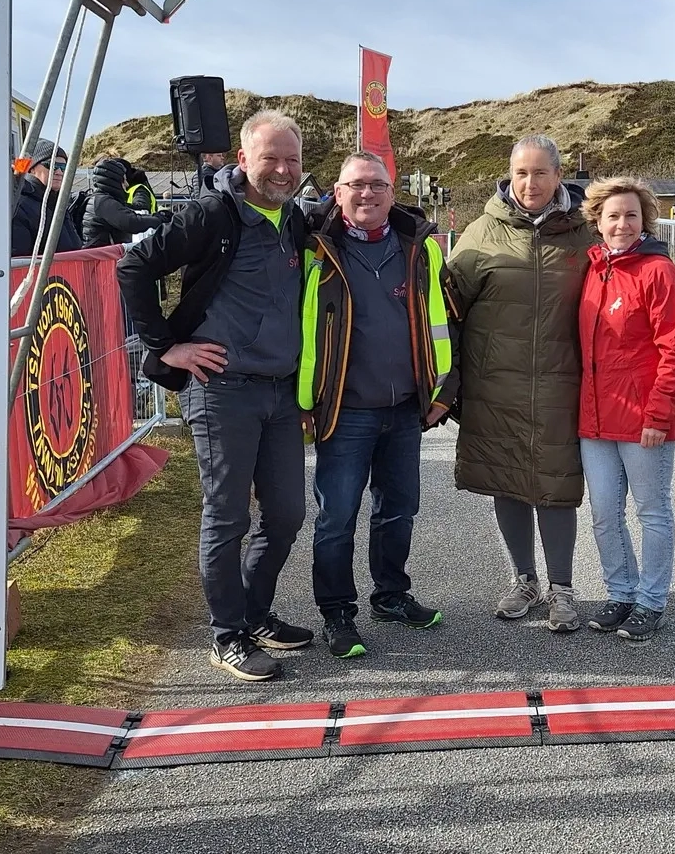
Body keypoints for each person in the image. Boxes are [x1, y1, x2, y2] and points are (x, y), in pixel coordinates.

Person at [116, 109, 317, 682]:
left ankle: (254, 616)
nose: (282, 170)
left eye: (292, 160)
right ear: (244, 159)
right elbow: (134, 267)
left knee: (286, 514)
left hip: (280, 392)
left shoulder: (294, 219)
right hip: (220, 390)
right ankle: (227, 635)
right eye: (270, 158)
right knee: (227, 516)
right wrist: (166, 347)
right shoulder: (212, 214)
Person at [301, 152, 460, 659]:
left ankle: (390, 596)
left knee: (398, 511)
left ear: (393, 193)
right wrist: (302, 401)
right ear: (337, 192)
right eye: (356, 185)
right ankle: (336, 612)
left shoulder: (421, 248)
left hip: (405, 410)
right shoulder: (315, 247)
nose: (367, 193)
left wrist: (443, 390)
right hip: (343, 411)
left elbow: (448, 320)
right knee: (337, 517)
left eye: (377, 185)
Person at [448, 134, 595, 632]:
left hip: (562, 384)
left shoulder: (585, 234)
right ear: (509, 175)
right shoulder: (482, 232)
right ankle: (524, 579)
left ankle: (562, 588)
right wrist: (450, 383)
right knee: (506, 482)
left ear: (559, 175)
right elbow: (448, 308)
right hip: (496, 385)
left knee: (557, 484)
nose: (530, 183)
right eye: (521, 173)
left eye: (540, 172)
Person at [577, 178, 675, 641]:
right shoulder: (593, 270)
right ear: (598, 222)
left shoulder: (659, 272)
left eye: (632, 215)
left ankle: (651, 601)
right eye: (613, 216)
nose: (623, 224)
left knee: (651, 511)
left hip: (645, 418)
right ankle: (621, 593)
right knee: (605, 513)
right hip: (596, 419)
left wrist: (659, 416)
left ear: (645, 220)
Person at [11, 139, 83, 256]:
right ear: (32, 169)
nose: (59, 172)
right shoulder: (20, 205)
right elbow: (19, 259)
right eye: (52, 165)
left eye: (64, 167)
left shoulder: (58, 203)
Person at [83, 158, 169, 247]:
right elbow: (131, 222)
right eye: (123, 180)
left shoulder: (100, 199)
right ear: (114, 181)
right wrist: (160, 219)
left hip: (100, 250)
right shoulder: (103, 202)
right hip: (101, 253)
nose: (127, 184)